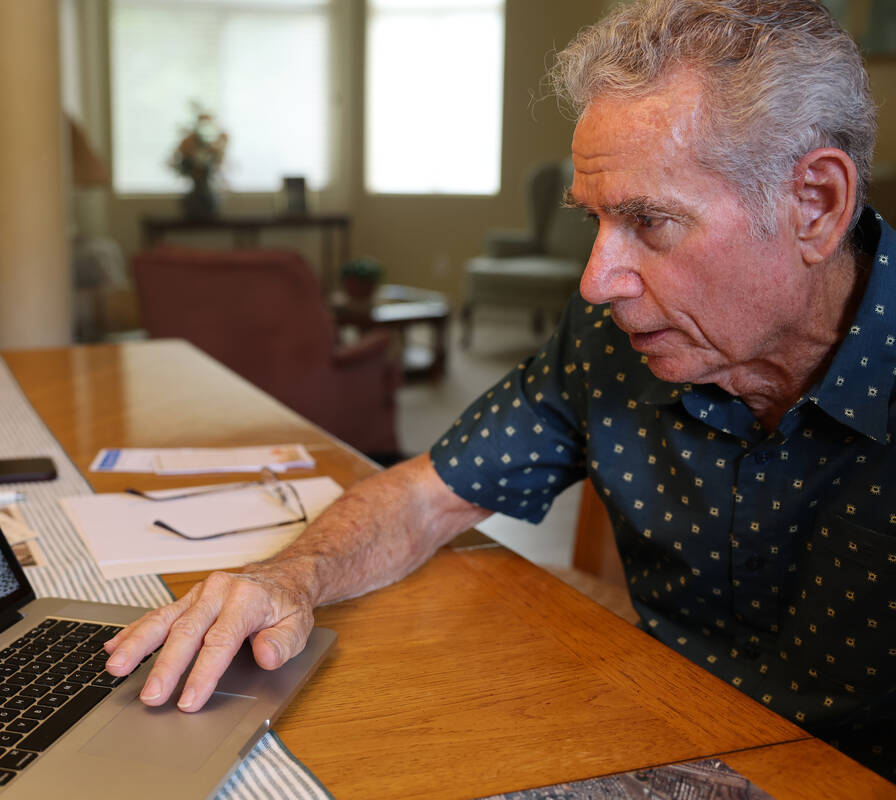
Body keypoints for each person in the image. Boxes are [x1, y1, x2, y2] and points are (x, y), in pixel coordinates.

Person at [106, 0, 895, 779]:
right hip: (660, 732)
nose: (594, 283)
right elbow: (424, 496)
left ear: (815, 205)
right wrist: (289, 578)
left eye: (650, 222)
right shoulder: (614, 343)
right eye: (593, 222)